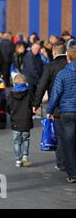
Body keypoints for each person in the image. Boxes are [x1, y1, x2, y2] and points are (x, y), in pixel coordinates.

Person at [33, 42, 68, 171]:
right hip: (72, 105)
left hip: (57, 106)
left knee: (59, 135)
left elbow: (42, 85)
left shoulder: (50, 66)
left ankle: (61, 163)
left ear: (53, 52)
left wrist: (36, 103)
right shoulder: (70, 64)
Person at [46, 47, 76, 184]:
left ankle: (72, 174)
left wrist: (50, 110)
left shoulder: (63, 74)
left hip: (67, 112)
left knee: (68, 144)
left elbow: (55, 94)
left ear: (68, 58)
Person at [7, 74, 34, 168]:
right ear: (24, 82)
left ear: (14, 83)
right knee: (25, 139)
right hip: (26, 119)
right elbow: (32, 105)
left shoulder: (11, 94)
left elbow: (8, 107)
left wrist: (11, 113)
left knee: (16, 141)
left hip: (15, 121)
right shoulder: (29, 93)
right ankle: (25, 156)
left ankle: (18, 160)